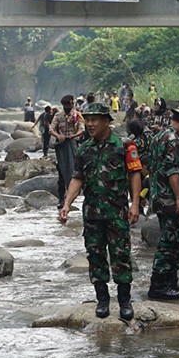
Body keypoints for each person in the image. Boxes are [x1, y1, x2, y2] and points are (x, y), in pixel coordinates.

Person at [59, 102, 142, 321]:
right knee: (95, 256)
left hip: (117, 212)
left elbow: (135, 174)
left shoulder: (125, 145)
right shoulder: (84, 148)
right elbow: (77, 178)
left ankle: (124, 301)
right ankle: (102, 300)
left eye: (95, 119)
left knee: (121, 255)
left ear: (107, 121)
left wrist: (135, 204)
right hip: (92, 214)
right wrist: (67, 203)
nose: (90, 124)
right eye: (87, 119)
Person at [147, 104, 179, 300]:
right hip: (169, 198)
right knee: (170, 242)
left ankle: (169, 281)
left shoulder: (158, 136)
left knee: (172, 240)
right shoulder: (174, 141)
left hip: (158, 196)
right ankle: (159, 285)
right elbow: (172, 171)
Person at [50, 94, 85, 209]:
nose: (67, 107)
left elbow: (82, 129)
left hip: (74, 145)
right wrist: (58, 135)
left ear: (72, 104)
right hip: (61, 146)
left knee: (77, 170)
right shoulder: (58, 115)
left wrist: (74, 135)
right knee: (61, 171)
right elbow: (51, 129)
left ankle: (77, 195)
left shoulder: (77, 115)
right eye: (65, 105)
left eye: (69, 105)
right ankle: (61, 198)